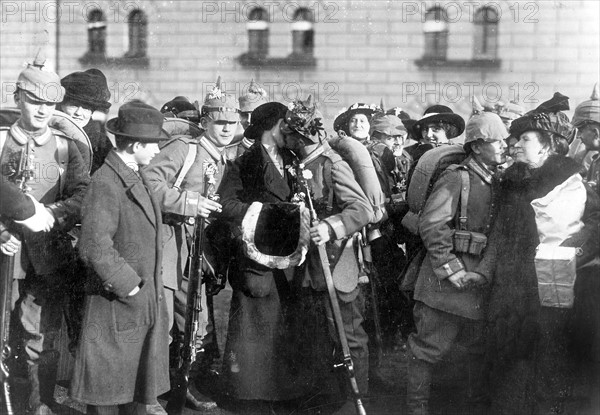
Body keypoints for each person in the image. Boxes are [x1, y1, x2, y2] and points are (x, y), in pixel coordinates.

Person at [475, 93, 600, 414]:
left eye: (524, 139)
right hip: (509, 283)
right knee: (504, 355)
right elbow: (499, 232)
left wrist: (574, 250)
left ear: (545, 146)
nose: (515, 144)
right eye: (514, 139)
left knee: (546, 354)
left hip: (550, 284)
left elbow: (594, 225)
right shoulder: (508, 181)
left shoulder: (569, 180)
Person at [0, 55, 89, 414]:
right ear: (19, 97)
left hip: (46, 256)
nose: (41, 111)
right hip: (4, 254)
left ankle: (40, 402)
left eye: (50, 104)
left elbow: (84, 195)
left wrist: (53, 214)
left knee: (42, 334)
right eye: (35, 101)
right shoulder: (1, 141)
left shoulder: (67, 147)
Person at [143, 77, 239, 411]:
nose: (226, 128)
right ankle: (151, 395)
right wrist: (188, 203)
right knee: (165, 321)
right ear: (205, 121)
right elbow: (148, 182)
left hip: (198, 249)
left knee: (194, 323)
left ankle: (184, 384)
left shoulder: (223, 156)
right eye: (219, 121)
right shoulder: (185, 148)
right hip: (169, 243)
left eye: (232, 122)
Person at [70, 100, 171, 415]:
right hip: (116, 302)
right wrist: (131, 287)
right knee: (106, 394)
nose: (157, 151)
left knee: (127, 388)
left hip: (131, 304)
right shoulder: (107, 182)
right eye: (153, 145)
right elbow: (94, 245)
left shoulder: (130, 174)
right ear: (137, 144)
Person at [405, 109, 508, 415]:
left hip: (476, 283)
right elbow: (432, 225)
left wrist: (484, 273)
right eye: (496, 140)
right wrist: (451, 269)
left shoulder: (497, 181)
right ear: (477, 146)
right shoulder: (456, 178)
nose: (504, 145)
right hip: (442, 285)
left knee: (471, 354)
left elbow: (498, 236)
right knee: (425, 352)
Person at [217, 102, 311, 403]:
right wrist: (268, 212)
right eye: (286, 122)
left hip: (288, 258)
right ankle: (247, 397)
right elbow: (226, 205)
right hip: (257, 257)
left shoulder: (292, 158)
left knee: (280, 325)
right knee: (254, 325)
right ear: (275, 124)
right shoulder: (245, 162)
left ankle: (278, 393)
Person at [284, 97, 373, 414]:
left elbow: (363, 209)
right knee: (319, 336)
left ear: (301, 136)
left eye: (290, 134)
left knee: (348, 336)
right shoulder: (302, 164)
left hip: (338, 264)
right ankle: (328, 399)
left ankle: (355, 400)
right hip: (311, 266)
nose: (286, 139)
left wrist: (332, 227)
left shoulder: (332, 165)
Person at [59, 68, 112, 174]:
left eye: (86, 108)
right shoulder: (48, 134)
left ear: (92, 112)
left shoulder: (101, 144)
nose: (79, 113)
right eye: (73, 105)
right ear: (62, 105)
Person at [231, 80, 269, 157]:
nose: (249, 120)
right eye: (244, 115)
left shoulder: (276, 148)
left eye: (254, 114)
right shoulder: (229, 152)